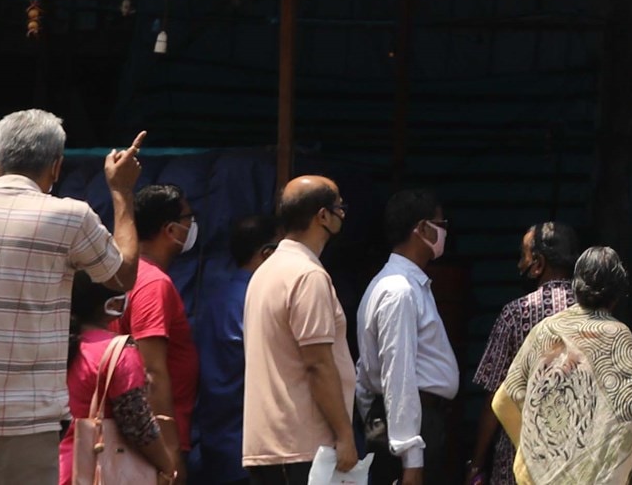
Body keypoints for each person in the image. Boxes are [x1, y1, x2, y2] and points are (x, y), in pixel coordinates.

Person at [0, 111, 144, 485]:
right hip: (24, 422)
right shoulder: (70, 217)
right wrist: (121, 191)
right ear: (57, 167)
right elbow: (122, 275)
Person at [491, 246, 632, 485]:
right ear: (617, 293)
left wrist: (532, 454)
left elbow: (503, 401)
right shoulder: (616, 334)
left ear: (576, 285)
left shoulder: (545, 329)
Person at [242, 176, 358, 485]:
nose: (343, 215)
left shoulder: (265, 272)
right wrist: (345, 435)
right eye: (340, 207)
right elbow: (317, 363)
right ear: (323, 215)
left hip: (271, 447)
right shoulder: (308, 276)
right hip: (304, 450)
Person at [356, 189, 459, 485]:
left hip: (405, 426)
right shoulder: (399, 291)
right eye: (441, 225)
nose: (444, 232)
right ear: (423, 228)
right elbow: (397, 375)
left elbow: (365, 375)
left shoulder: (399, 285)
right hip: (412, 430)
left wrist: (376, 423)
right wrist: (411, 459)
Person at [467, 222, 580, 485]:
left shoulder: (515, 315)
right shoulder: (594, 318)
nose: (520, 265)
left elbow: (493, 398)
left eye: (523, 257)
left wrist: (476, 464)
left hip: (519, 463)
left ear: (538, 263)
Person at [115, 182, 201, 481]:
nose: (192, 227)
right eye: (189, 219)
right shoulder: (153, 284)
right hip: (153, 443)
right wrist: (169, 449)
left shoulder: (130, 276)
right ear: (171, 230)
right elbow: (152, 371)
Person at [60, 271, 178, 485]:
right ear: (112, 304)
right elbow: (137, 425)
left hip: (55, 466)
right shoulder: (119, 352)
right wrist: (168, 466)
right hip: (96, 468)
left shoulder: (55, 344)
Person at [196, 214, 278, 485]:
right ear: (267, 255)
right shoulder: (260, 304)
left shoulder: (213, 300)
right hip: (250, 450)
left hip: (214, 445)